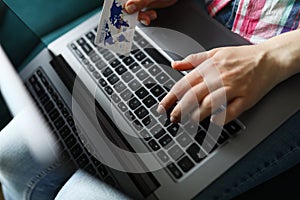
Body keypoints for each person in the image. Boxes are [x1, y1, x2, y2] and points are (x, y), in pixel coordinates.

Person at [0, 0, 299, 199]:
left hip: (278, 64)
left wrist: (270, 57)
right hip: (200, 16)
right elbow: (115, 30)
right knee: (15, 151)